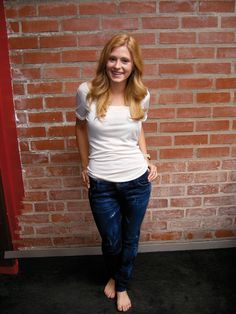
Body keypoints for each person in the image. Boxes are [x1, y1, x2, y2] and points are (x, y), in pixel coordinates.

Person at [75, 33, 157, 312]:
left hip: (137, 180)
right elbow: (79, 127)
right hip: (102, 182)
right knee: (111, 240)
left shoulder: (141, 94)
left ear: (134, 64)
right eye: (113, 58)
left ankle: (121, 284)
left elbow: (138, 129)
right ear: (104, 60)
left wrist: (146, 158)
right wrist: (84, 164)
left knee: (131, 238)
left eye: (125, 60)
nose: (118, 65)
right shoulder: (87, 91)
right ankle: (114, 272)